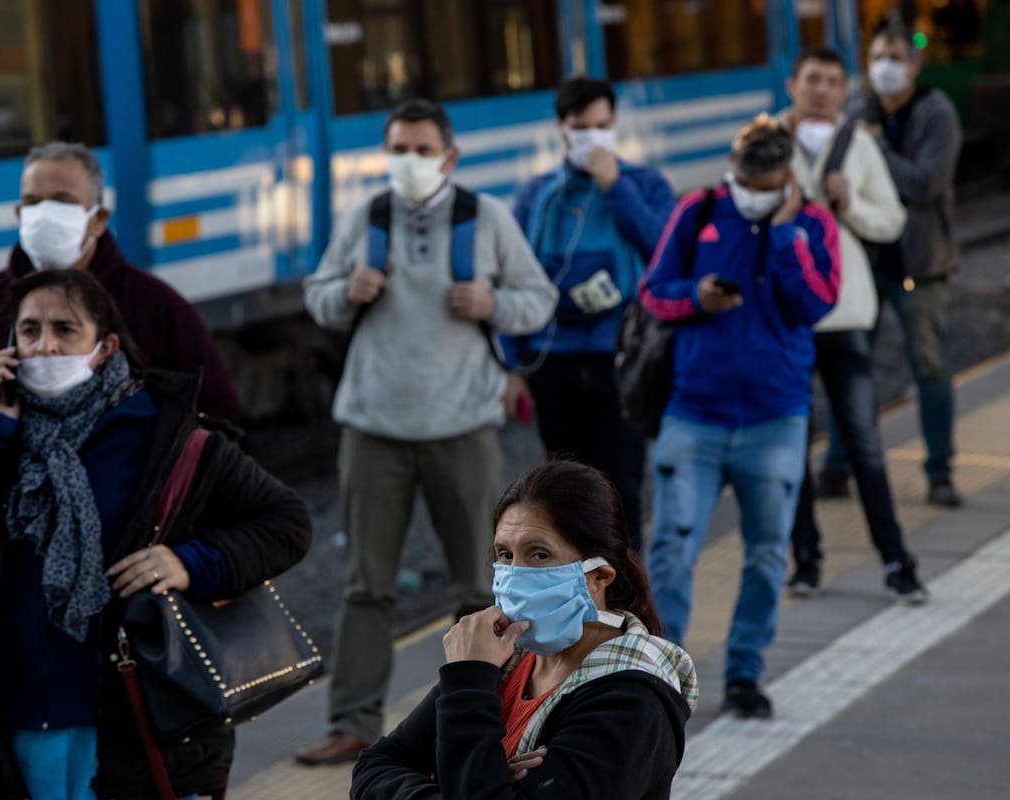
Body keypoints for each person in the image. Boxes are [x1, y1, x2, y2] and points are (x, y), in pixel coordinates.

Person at [0, 269, 311, 799]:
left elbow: (285, 521)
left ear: (103, 345)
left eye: (65, 330)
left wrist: (190, 563)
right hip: (10, 733)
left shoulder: (163, 435)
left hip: (136, 728)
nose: (45, 346)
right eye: (29, 331)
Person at [297, 98, 558, 765]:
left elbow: (540, 298)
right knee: (366, 584)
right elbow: (318, 296)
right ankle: (354, 721)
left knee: (483, 584)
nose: (407, 162)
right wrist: (343, 291)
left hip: (463, 426)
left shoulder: (486, 218)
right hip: (373, 428)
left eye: (420, 149)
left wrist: (494, 303)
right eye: (397, 149)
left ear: (450, 156)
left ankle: (492, 716)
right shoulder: (367, 217)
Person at [640, 115, 840, 719]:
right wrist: (695, 297)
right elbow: (653, 291)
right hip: (693, 414)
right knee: (671, 549)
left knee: (767, 552)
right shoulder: (698, 210)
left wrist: (783, 238)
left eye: (763, 180)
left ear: (786, 179)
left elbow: (817, 302)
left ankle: (745, 670)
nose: (748, 188)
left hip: (775, 418)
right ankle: (662, 676)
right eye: (743, 177)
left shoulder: (812, 223)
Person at [351, 460, 698, 799]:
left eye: (539, 555)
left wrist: (468, 678)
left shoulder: (630, 702)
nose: (515, 574)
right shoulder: (508, 659)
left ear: (598, 578)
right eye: (505, 554)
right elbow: (373, 767)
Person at [0, 141, 241, 440]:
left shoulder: (156, 308)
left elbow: (217, 413)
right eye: (33, 202)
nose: (44, 215)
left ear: (99, 219)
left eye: (62, 201)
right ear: (20, 216)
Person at [777, 47, 926, 603]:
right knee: (791, 443)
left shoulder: (859, 144)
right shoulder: (765, 141)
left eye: (832, 82)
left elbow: (891, 221)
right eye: (811, 78)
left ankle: (897, 561)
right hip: (786, 315)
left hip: (845, 314)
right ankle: (806, 561)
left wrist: (851, 205)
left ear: (844, 91)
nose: (821, 89)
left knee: (864, 441)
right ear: (792, 83)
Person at [506, 76, 676, 552]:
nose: (594, 138)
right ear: (562, 130)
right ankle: (578, 608)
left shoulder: (643, 185)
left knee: (621, 490)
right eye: (582, 128)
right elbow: (514, 276)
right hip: (553, 363)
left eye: (603, 126)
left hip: (620, 359)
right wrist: (512, 365)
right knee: (564, 497)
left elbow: (665, 253)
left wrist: (616, 188)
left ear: (615, 123)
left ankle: (627, 603)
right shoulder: (539, 196)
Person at [819, 12, 964, 508]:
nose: (885, 68)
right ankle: (837, 467)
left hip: (921, 266)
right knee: (850, 367)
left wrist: (877, 152)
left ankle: (940, 471)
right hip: (866, 264)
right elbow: (835, 175)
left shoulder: (936, 112)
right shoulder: (858, 111)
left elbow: (927, 184)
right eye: (878, 58)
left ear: (915, 64)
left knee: (929, 366)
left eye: (896, 59)